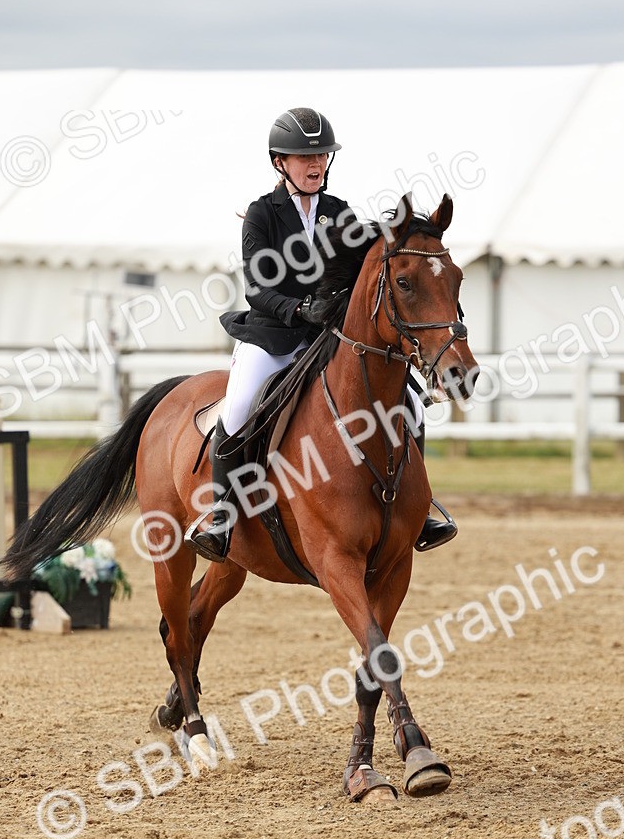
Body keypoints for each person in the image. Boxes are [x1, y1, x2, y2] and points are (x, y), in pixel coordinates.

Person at [185, 107, 457, 563]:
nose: (315, 165)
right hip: (272, 336)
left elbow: (370, 267)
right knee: (238, 407)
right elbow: (257, 287)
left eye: (321, 157)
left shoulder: (338, 212)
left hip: (327, 338)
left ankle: (421, 506)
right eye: (303, 158)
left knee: (409, 402)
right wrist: (299, 308)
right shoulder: (262, 214)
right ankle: (222, 515)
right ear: (280, 163)